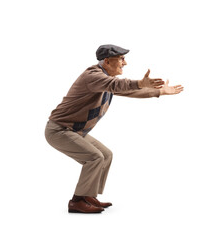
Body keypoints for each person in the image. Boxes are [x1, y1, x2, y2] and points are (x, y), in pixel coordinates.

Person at [45, 44, 184, 213]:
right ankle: (76, 201)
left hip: (75, 131)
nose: (125, 63)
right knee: (95, 157)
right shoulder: (93, 76)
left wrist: (159, 92)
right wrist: (140, 83)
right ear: (108, 61)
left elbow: (129, 91)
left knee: (106, 155)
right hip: (59, 130)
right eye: (121, 59)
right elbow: (119, 85)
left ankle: (88, 195)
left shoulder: (104, 81)